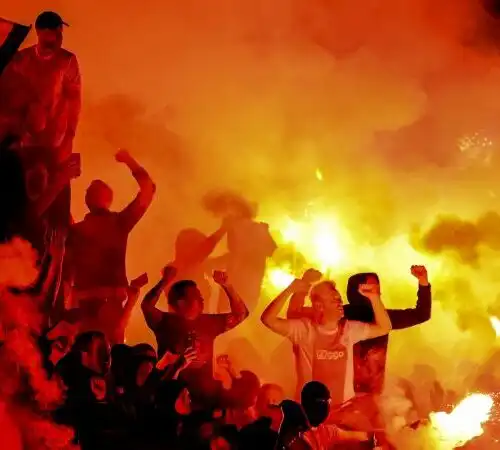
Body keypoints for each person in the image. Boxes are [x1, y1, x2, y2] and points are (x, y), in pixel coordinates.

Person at [287, 266, 431, 396]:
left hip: (369, 395)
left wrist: (423, 282)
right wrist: (303, 286)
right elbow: (294, 315)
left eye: (377, 287)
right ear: (358, 289)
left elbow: (421, 314)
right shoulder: (338, 313)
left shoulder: (381, 318)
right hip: (337, 394)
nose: (376, 290)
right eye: (370, 286)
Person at [261, 273, 392, 407]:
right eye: (333, 300)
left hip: (343, 410)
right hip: (311, 412)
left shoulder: (348, 330)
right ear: (319, 306)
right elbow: (268, 319)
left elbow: (384, 327)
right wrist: (289, 290)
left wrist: (374, 297)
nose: (340, 303)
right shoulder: (304, 330)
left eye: (339, 299)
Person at [65, 149, 155, 317]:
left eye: (92, 189)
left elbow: (148, 189)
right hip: (98, 307)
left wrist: (129, 160)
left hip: (90, 309)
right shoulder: (115, 224)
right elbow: (148, 189)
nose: (88, 191)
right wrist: (129, 161)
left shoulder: (115, 223)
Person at [141, 267, 249, 406]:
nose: (202, 298)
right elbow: (146, 306)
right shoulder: (164, 322)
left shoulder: (209, 323)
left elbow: (241, 315)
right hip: (171, 397)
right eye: (196, 296)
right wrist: (164, 281)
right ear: (182, 302)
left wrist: (227, 286)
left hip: (202, 398)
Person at [1, 11, 81, 160]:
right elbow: (6, 99)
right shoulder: (21, 60)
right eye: (56, 33)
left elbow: (74, 101)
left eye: (60, 33)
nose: (60, 37)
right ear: (41, 33)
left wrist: (69, 138)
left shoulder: (67, 61)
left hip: (53, 144)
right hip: (23, 143)